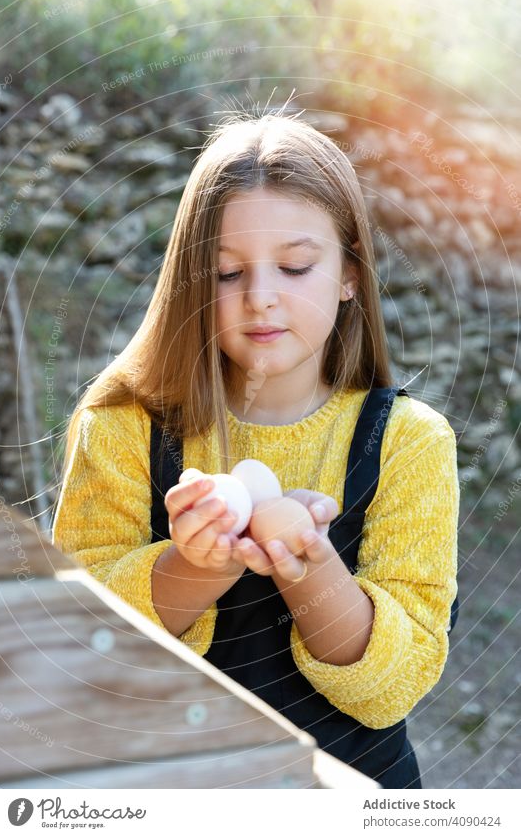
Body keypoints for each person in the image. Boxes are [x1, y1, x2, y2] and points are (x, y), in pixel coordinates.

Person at [52, 110, 459, 789]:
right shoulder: (121, 426)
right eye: (225, 273)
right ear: (189, 280)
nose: (260, 299)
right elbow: (80, 650)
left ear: (349, 273)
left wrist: (306, 564)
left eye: (295, 265)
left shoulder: (410, 442)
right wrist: (197, 563)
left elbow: (394, 685)